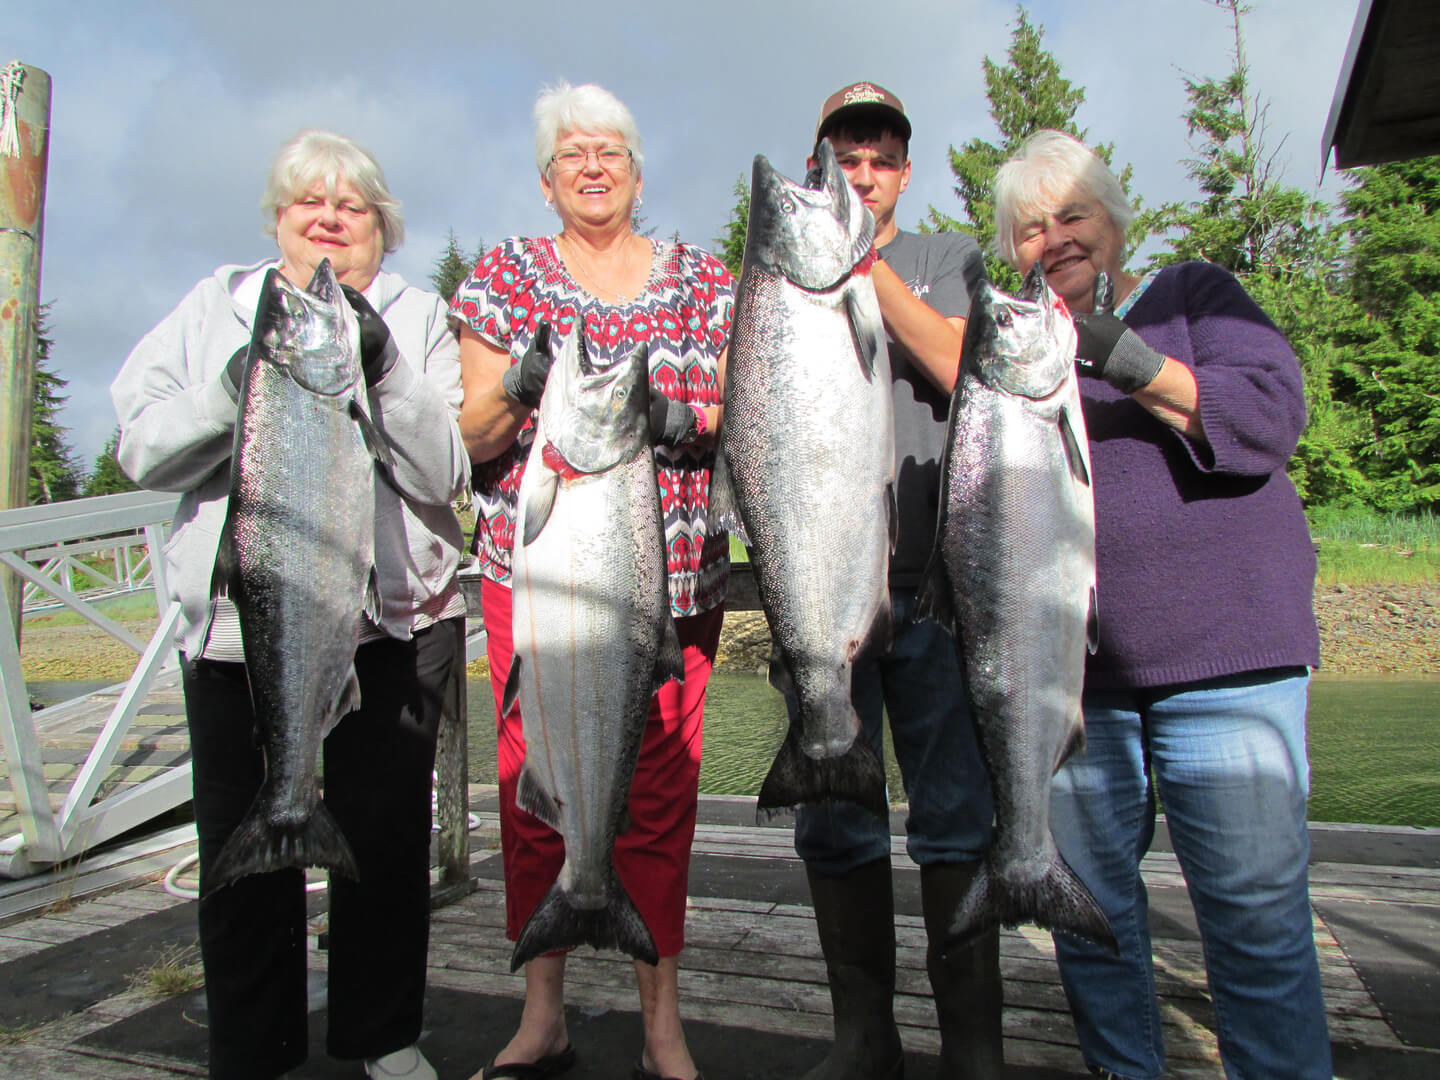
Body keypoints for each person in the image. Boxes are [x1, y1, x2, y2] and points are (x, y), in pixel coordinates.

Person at [111, 129, 469, 1080]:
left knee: (385, 844)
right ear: (277, 219)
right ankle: (252, 1047)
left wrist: (385, 369)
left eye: (352, 206)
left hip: (392, 626)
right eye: (309, 201)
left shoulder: (417, 316)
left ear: (383, 229)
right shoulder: (212, 308)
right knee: (241, 849)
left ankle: (381, 1034)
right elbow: (139, 449)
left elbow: (446, 470)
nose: (329, 219)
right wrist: (234, 386)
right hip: (243, 631)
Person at [992, 129, 1331, 1080]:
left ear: (1114, 221)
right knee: (1090, 922)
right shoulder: (1013, 352)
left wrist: (1132, 361)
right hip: (1075, 685)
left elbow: (1271, 419)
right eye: (1031, 228)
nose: (1056, 238)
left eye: (1074, 215)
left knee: (1255, 922)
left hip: (1230, 665)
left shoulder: (1191, 294)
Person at [450, 81, 732, 1080]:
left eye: (609, 150)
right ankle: (543, 1018)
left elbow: (739, 408)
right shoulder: (504, 275)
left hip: (676, 582)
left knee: (660, 800)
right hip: (536, 582)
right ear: (546, 180)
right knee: (535, 791)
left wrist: (682, 419)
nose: (593, 166)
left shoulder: (704, 278)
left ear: (638, 173)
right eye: (571, 152)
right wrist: (517, 387)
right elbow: (470, 434)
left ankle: (663, 1029)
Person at [790, 82, 1003, 1080]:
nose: (864, 174)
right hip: (815, 589)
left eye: (881, 160)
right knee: (835, 820)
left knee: (955, 818)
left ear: (906, 173)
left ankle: (974, 1048)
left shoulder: (946, 258)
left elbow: (963, 366)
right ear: (819, 168)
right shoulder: (783, 272)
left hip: (932, 589)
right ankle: (864, 1040)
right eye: (847, 159)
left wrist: (859, 263)